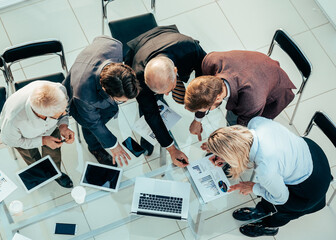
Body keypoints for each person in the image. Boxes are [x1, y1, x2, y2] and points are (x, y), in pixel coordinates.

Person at [204, 117, 332, 237]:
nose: (219, 160)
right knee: (270, 187)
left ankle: (270, 227)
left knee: (282, 207)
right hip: (311, 152)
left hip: (311, 187)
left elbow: (281, 198)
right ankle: (262, 210)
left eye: (224, 157)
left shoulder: (266, 170)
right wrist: (224, 156)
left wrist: (253, 188)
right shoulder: (255, 122)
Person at [125, 25, 206, 167]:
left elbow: (206, 86)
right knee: (147, 105)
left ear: (176, 71)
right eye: (162, 92)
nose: (167, 94)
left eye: (168, 90)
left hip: (170, 38)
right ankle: (148, 138)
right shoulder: (138, 74)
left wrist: (198, 118)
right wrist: (172, 149)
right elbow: (151, 113)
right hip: (140, 47)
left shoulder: (191, 49)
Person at [63, 36, 140, 167]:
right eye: (120, 101)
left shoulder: (114, 46)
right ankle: (94, 148)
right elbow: (94, 123)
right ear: (105, 90)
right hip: (77, 98)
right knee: (90, 127)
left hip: (89, 67)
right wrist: (113, 145)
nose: (124, 102)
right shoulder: (85, 97)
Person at [185, 50, 296, 141]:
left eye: (207, 108)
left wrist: (221, 145)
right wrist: (197, 120)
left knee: (238, 124)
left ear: (218, 98)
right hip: (253, 67)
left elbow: (240, 131)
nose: (205, 110)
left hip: (276, 87)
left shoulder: (251, 102)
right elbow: (203, 92)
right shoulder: (210, 61)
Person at [0, 81, 74, 188]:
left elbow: (64, 111)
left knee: (54, 153)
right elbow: (10, 141)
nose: (65, 114)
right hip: (22, 137)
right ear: (41, 115)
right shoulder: (13, 120)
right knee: (31, 157)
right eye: (60, 114)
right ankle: (40, 174)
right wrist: (43, 140)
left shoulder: (59, 90)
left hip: (51, 129)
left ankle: (55, 173)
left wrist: (63, 125)